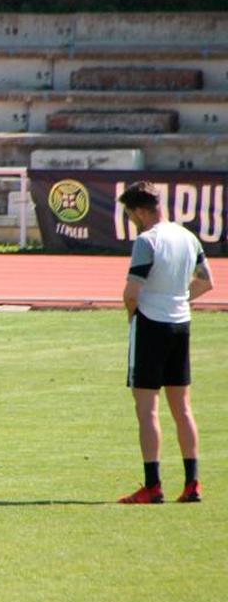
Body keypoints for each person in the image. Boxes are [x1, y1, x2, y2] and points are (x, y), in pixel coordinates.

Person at [117, 181, 214, 504]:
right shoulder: (188, 237)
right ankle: (192, 483)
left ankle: (153, 484)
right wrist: (180, 299)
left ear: (142, 211)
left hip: (151, 325)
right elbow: (207, 281)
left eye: (131, 214)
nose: (132, 219)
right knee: (183, 408)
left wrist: (134, 314)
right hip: (180, 324)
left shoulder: (148, 241)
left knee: (147, 409)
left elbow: (132, 291)